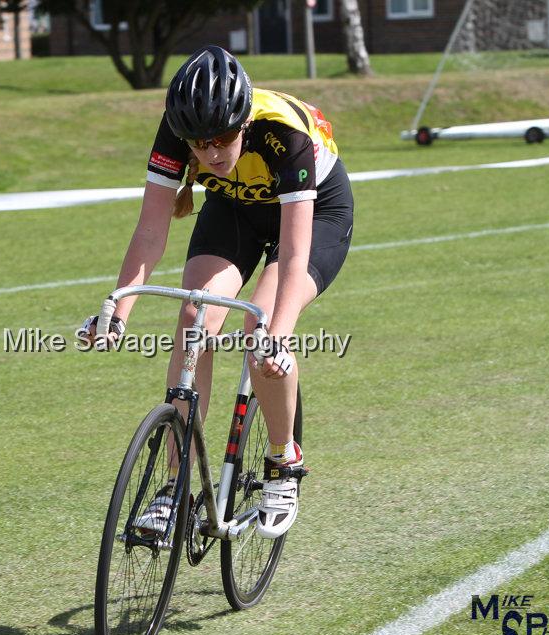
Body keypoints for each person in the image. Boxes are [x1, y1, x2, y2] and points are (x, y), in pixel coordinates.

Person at [81, 46, 353, 539]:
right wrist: (116, 311)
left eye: (224, 139)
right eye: (199, 144)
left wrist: (278, 336)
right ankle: (174, 489)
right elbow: (149, 231)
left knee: (260, 329)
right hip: (234, 208)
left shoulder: (283, 134)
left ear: (244, 122)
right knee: (193, 319)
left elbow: (293, 254)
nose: (211, 154)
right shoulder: (175, 129)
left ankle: (282, 458)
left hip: (315, 216)